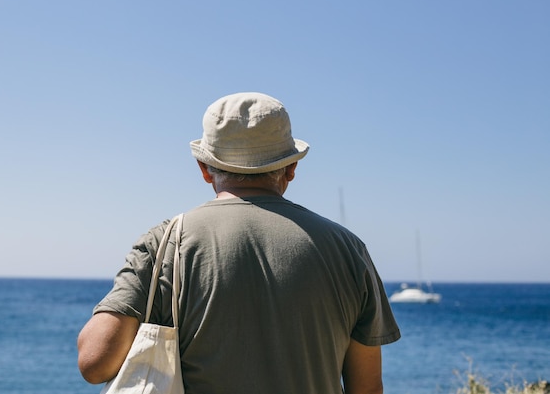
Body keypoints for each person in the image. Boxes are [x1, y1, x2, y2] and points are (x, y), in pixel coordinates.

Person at [77, 92, 401, 394]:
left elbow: (95, 362)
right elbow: (367, 388)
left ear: (204, 169)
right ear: (291, 168)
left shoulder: (165, 242)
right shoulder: (348, 249)